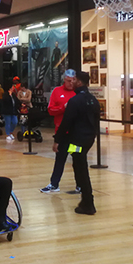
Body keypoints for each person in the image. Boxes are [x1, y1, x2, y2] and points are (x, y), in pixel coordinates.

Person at [54, 71, 100, 215]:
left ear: (79, 82)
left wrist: (57, 140)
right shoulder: (93, 100)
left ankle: (88, 202)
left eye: (74, 80)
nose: (72, 82)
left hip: (77, 140)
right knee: (79, 165)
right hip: (88, 139)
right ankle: (86, 200)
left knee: (80, 168)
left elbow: (66, 123)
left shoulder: (75, 101)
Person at [41, 69, 77, 194]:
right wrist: (63, 107)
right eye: (68, 81)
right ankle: (54, 184)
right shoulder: (57, 91)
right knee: (60, 159)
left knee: (78, 159)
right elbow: (51, 110)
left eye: (73, 81)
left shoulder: (77, 92)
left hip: (75, 134)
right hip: (62, 134)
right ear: (64, 80)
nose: (71, 83)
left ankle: (80, 185)